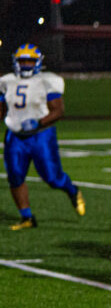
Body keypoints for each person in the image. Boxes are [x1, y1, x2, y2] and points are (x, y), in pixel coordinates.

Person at [1, 43, 84, 230]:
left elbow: (58, 110)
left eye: (30, 61)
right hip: (15, 135)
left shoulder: (48, 81)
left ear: (38, 62)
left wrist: (39, 123)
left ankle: (72, 191)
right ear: (16, 62)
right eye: (23, 61)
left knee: (52, 178)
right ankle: (27, 217)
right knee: (15, 176)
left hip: (41, 135)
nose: (26, 65)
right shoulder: (6, 81)